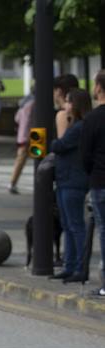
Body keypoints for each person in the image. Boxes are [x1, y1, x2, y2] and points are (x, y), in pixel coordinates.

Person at [50, 89, 92, 284]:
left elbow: (59, 145)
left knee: (75, 225)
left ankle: (79, 267)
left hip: (73, 181)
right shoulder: (76, 125)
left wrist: (55, 138)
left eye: (68, 102)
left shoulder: (79, 127)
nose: (65, 106)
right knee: (68, 224)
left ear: (75, 105)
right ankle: (70, 265)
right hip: (66, 179)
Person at [81, 69, 105, 297]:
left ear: (98, 88)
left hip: (99, 181)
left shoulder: (92, 119)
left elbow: (85, 156)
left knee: (104, 231)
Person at [10, 90, 34, 194]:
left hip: (22, 136)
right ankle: (12, 183)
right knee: (38, 159)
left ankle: (13, 183)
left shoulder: (24, 105)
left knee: (20, 160)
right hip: (33, 135)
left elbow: (17, 119)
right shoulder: (34, 104)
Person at [53, 74, 80, 139]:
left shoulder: (62, 114)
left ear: (58, 91)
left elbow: (62, 144)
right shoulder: (79, 110)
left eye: (53, 90)